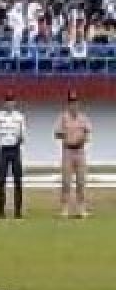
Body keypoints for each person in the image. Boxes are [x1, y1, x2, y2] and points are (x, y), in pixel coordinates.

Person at [54, 90, 92, 218]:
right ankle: (65, 208)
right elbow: (56, 133)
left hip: (80, 151)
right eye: (71, 102)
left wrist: (82, 138)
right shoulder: (63, 117)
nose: (73, 105)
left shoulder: (83, 117)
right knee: (66, 181)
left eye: (75, 102)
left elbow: (88, 133)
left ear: (78, 104)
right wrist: (66, 135)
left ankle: (81, 209)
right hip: (68, 151)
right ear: (68, 104)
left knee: (81, 181)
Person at [0, 91, 26, 219]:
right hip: (4, 149)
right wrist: (2, 137)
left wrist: (18, 139)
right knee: (1, 180)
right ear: (4, 103)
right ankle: (1, 211)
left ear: (14, 103)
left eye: (11, 101)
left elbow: (23, 135)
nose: (9, 103)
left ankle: (18, 211)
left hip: (15, 149)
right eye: (7, 101)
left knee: (18, 180)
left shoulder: (20, 117)